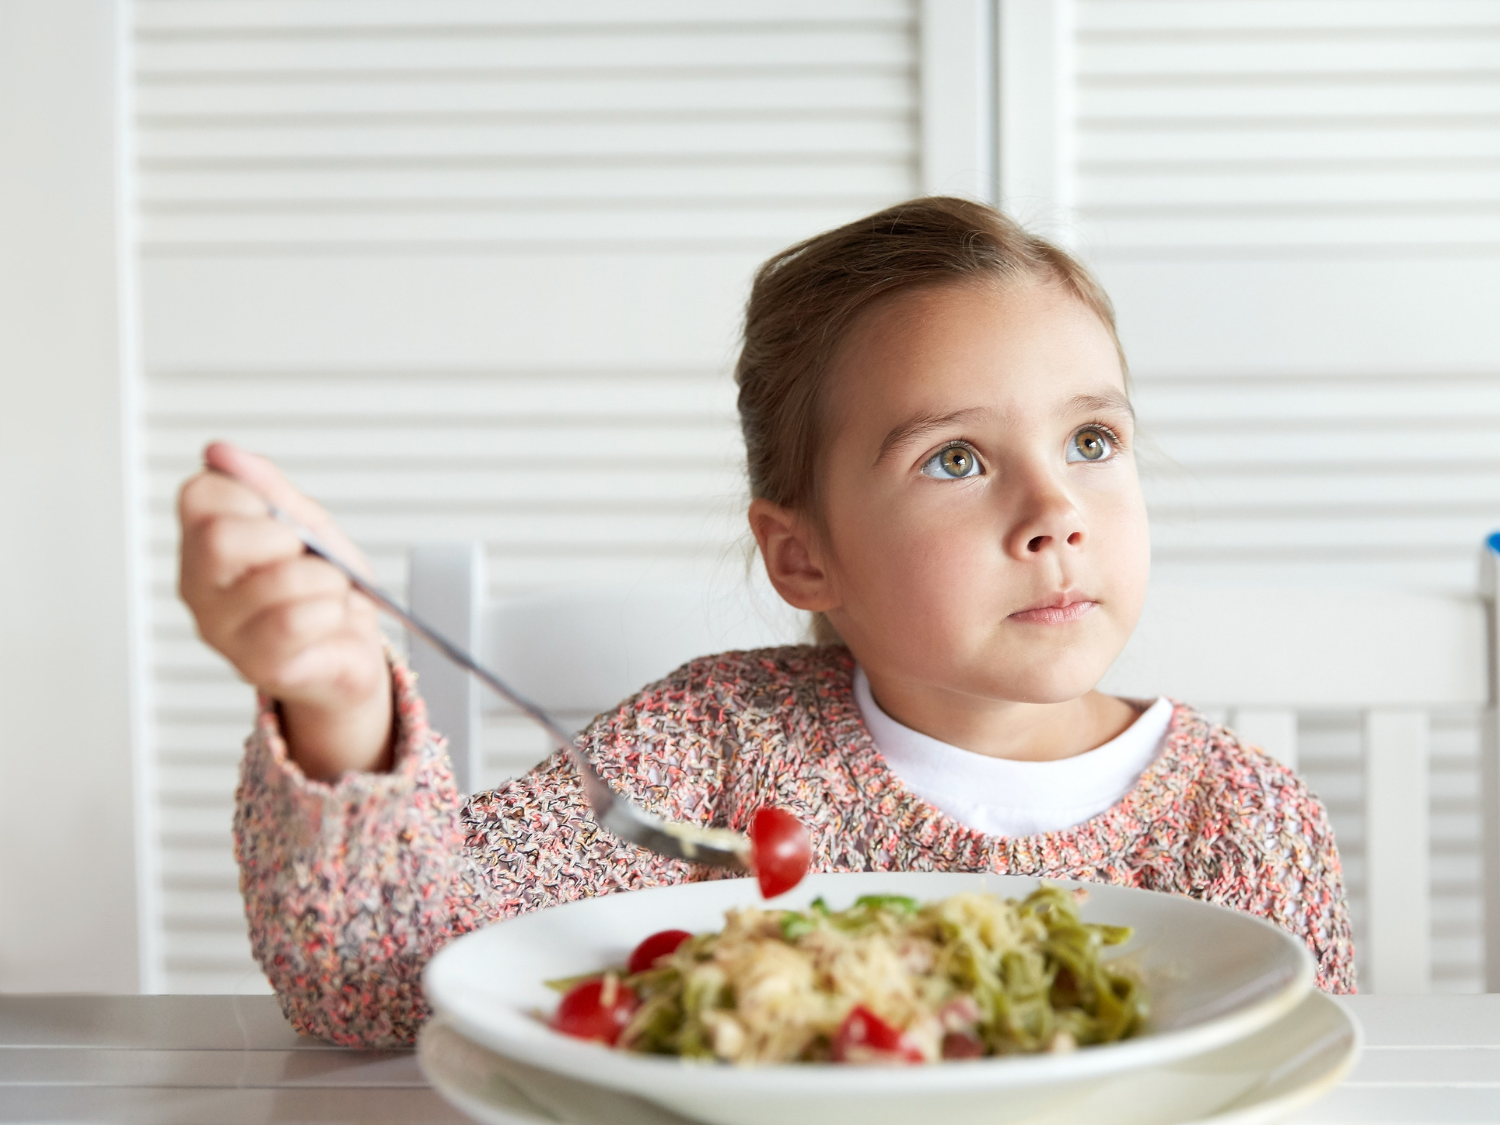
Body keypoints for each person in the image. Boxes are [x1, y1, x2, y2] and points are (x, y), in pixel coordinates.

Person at [178, 197, 1354, 1049]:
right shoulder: (712, 750)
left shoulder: (1243, 823)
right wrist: (339, 705)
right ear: (804, 554)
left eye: (1092, 442)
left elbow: (1312, 1079)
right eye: (956, 458)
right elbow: (376, 989)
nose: (1056, 511)